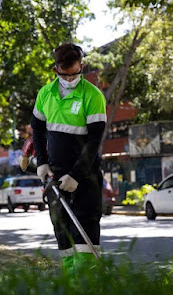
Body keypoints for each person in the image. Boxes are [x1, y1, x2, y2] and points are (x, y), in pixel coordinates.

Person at [31, 43, 107, 275]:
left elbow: (94, 141)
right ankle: (71, 281)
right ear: (56, 70)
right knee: (62, 230)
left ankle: (87, 284)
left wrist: (76, 175)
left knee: (85, 229)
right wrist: (42, 162)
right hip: (55, 176)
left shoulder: (93, 95)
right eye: (65, 74)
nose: (70, 78)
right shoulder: (45, 94)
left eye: (75, 73)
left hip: (85, 177)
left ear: (81, 67)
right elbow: (37, 129)